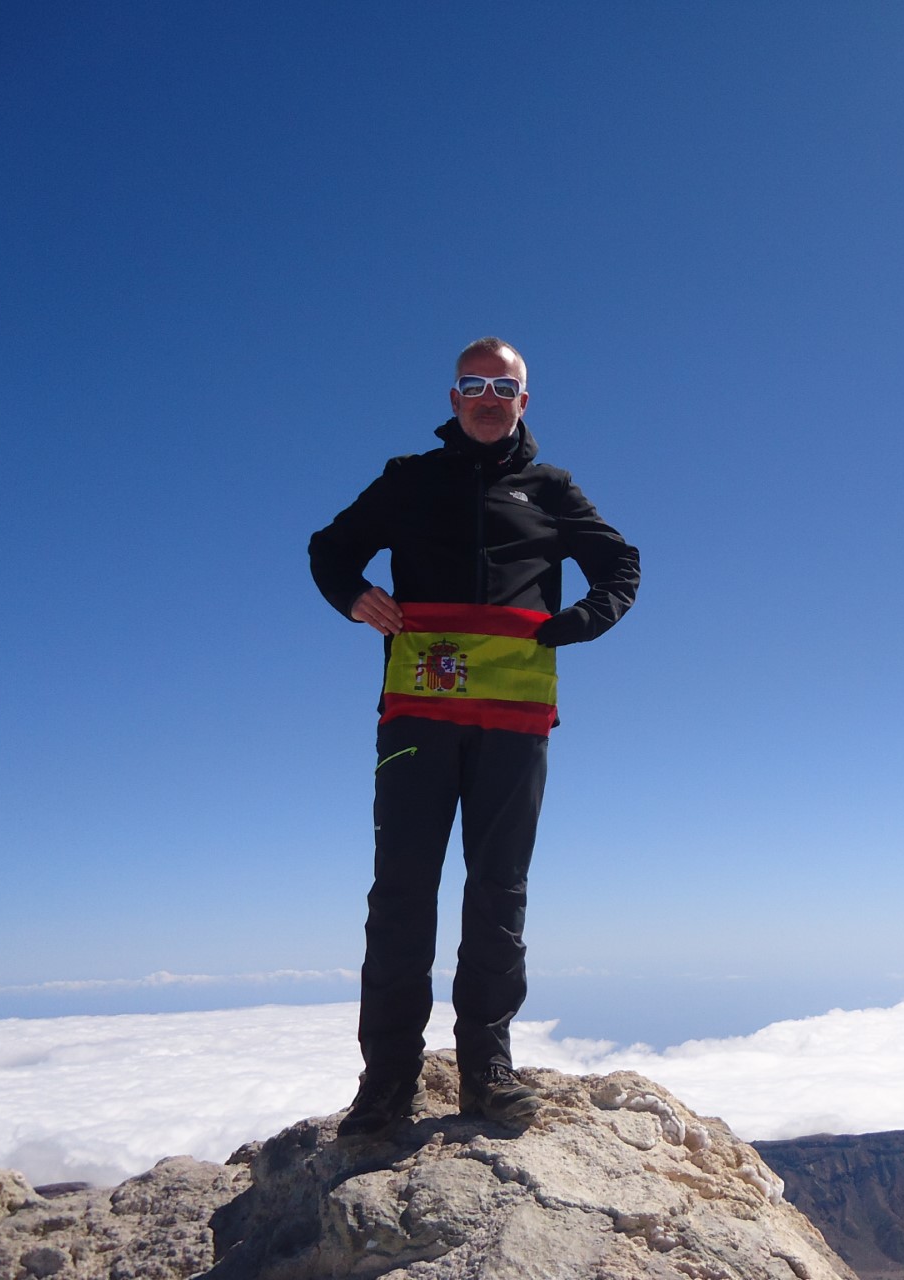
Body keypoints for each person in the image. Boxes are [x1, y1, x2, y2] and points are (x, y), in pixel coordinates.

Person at [309, 337, 639, 1136]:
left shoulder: (550, 489)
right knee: (401, 896)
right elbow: (330, 550)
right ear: (453, 397)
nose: (489, 396)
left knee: (498, 893)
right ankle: (386, 1082)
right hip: (418, 714)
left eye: (505, 385)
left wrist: (578, 623)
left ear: (524, 401)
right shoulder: (409, 480)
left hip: (515, 722)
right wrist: (355, 596)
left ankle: (486, 1071)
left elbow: (620, 566)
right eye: (474, 384)